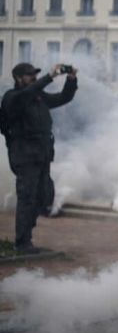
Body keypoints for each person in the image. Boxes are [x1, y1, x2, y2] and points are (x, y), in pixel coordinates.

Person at [1, 63, 77, 253]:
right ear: (18, 78)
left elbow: (63, 98)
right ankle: (22, 242)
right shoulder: (14, 98)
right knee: (27, 197)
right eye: (29, 75)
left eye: (35, 74)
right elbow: (26, 94)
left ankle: (27, 235)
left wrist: (71, 80)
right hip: (25, 155)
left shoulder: (38, 97)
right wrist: (50, 76)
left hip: (42, 154)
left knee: (45, 195)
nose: (34, 77)